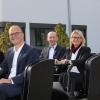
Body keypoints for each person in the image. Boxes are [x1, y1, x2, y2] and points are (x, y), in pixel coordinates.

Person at [0, 25, 39, 100]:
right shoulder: (9, 51)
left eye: (16, 33)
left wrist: (10, 80)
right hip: (7, 83)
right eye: (11, 34)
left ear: (22, 35)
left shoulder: (31, 51)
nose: (13, 36)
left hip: (21, 85)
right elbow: (3, 66)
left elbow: (29, 73)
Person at [56, 30, 91, 97]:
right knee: (62, 74)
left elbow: (82, 61)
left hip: (79, 74)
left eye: (78, 37)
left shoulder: (86, 49)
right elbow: (62, 60)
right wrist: (58, 61)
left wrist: (68, 61)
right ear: (71, 39)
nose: (76, 39)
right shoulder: (68, 50)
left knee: (69, 72)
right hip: (68, 73)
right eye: (74, 37)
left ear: (82, 39)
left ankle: (70, 94)